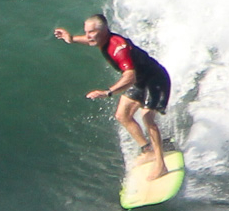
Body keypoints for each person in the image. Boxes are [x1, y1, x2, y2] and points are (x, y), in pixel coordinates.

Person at [53, 15, 172, 179]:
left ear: (103, 31)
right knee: (122, 115)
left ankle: (161, 165)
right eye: (86, 32)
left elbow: (129, 77)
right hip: (140, 80)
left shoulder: (118, 48)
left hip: (155, 79)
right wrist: (72, 38)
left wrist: (108, 92)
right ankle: (148, 150)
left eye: (92, 32)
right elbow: (90, 41)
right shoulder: (101, 40)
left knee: (147, 118)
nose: (88, 36)